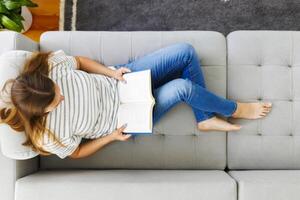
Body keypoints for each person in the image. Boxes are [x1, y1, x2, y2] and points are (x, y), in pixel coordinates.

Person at [0, 43, 272, 159]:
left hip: (122, 80)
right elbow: (76, 153)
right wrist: (112, 137)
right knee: (182, 87)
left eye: (56, 88)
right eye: (56, 101)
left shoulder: (48, 68)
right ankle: (235, 109)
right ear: (44, 111)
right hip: (127, 118)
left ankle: (204, 119)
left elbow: (80, 62)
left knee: (186, 52)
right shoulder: (47, 136)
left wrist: (112, 72)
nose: (62, 95)